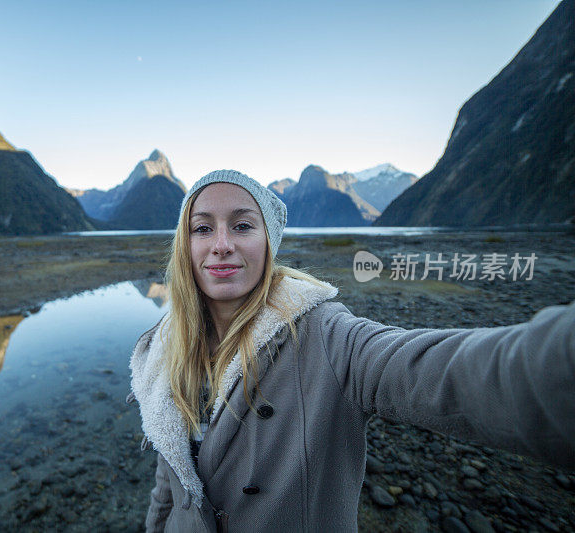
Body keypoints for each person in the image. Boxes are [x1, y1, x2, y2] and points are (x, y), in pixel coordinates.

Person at [127, 169, 575, 532]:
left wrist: (558, 361)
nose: (220, 243)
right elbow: (170, 481)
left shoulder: (327, 335)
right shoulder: (166, 351)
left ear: (270, 243)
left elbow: (441, 371)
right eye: (202, 228)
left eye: (243, 225)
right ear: (185, 247)